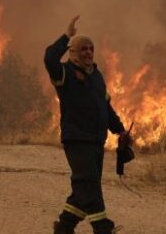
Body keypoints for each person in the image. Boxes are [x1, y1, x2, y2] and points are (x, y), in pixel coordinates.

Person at [44, 15, 127, 234]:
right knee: (90, 183)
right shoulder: (65, 73)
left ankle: (63, 227)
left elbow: (106, 109)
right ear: (73, 52)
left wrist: (120, 130)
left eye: (91, 48)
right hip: (77, 139)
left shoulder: (97, 77)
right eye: (83, 49)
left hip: (96, 141)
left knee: (83, 188)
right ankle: (102, 227)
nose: (88, 52)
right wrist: (67, 36)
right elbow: (49, 59)